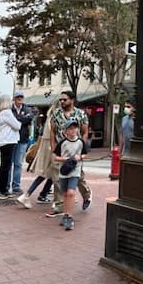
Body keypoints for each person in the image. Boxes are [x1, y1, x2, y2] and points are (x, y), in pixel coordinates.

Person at [46, 90, 91, 218]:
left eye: (64, 99)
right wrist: (54, 148)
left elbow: (85, 132)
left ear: (72, 100)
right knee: (58, 178)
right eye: (60, 100)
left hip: (76, 151)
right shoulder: (56, 114)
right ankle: (59, 205)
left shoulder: (80, 114)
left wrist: (82, 147)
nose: (62, 102)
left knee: (78, 178)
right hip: (61, 151)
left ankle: (86, 195)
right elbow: (52, 132)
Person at [17, 102, 58, 208]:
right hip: (52, 149)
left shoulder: (49, 118)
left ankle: (42, 194)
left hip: (47, 149)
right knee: (50, 174)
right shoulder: (55, 119)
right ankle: (28, 195)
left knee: (50, 175)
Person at [53, 119, 87, 231]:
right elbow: (55, 157)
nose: (73, 130)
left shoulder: (81, 142)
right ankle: (65, 214)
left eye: (75, 128)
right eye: (70, 128)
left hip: (75, 170)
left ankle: (70, 217)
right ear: (65, 131)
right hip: (64, 171)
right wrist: (66, 159)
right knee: (65, 194)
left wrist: (80, 157)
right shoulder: (62, 143)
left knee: (71, 193)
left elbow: (85, 154)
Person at [0, 94, 21, 199]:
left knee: (5, 166)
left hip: (4, 141)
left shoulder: (1, 113)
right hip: (8, 141)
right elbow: (17, 125)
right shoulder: (7, 113)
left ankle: (2, 189)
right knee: (5, 167)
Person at [8, 90, 33, 195]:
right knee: (9, 164)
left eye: (21, 97)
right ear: (14, 99)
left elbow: (29, 118)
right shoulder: (10, 109)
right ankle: (6, 185)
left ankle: (16, 186)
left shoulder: (27, 108)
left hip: (22, 139)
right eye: (18, 97)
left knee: (18, 163)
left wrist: (17, 119)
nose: (20, 99)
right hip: (11, 139)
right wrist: (22, 119)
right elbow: (11, 120)